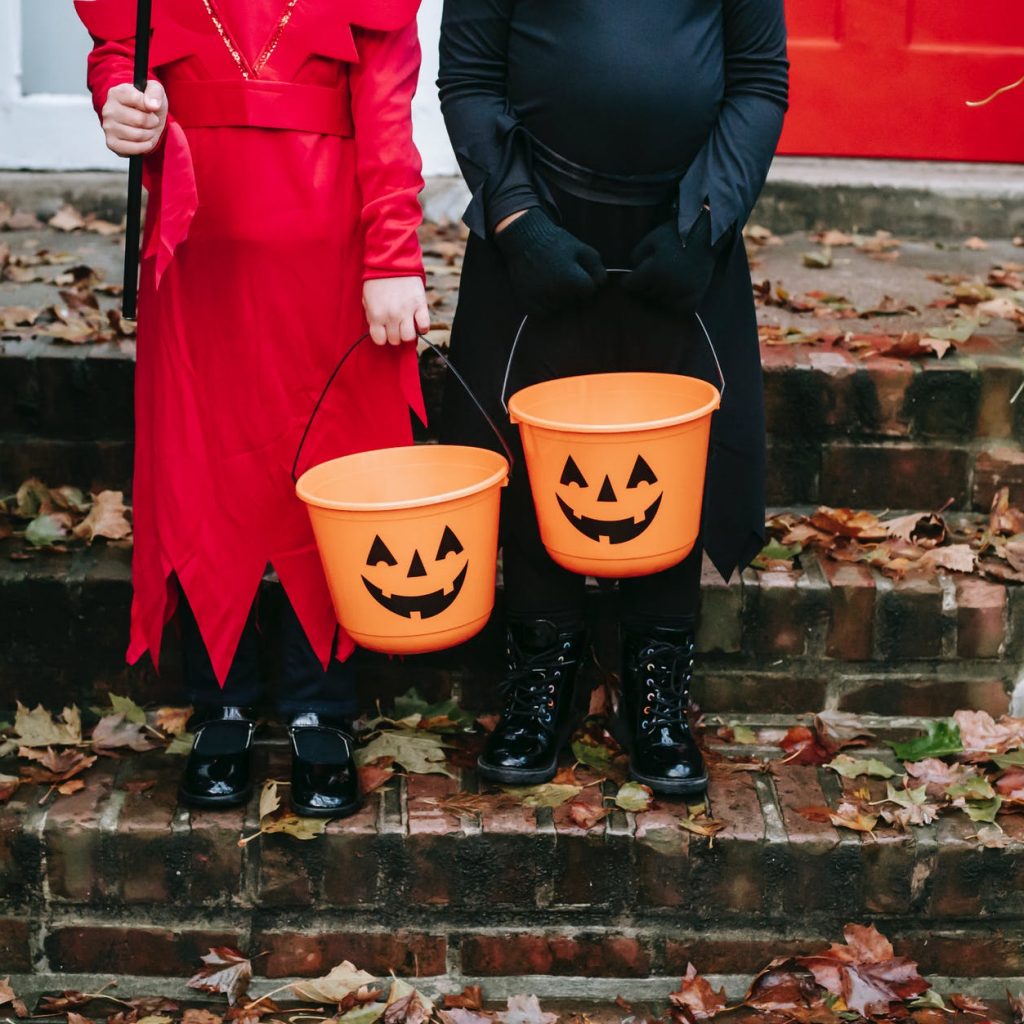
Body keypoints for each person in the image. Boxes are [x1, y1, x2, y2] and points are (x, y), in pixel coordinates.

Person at [76, 0, 429, 815]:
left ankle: (322, 706)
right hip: (201, 259)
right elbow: (119, 52)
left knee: (331, 470)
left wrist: (392, 254)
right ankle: (221, 701)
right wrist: (121, 102)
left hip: (333, 265)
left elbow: (385, 114)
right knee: (205, 466)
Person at [438, 0, 789, 794]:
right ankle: (541, 684)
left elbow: (761, 80)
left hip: (682, 232)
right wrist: (516, 217)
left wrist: (707, 219)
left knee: (672, 457)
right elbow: (468, 79)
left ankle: (656, 692)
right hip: (539, 226)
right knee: (527, 451)